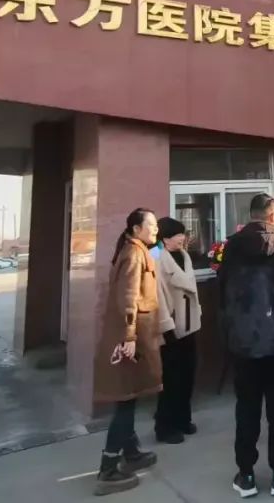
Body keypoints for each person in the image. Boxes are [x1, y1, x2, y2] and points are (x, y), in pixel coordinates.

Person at [220, 193, 274, 498]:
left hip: (243, 343)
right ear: (272, 215)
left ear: (252, 215)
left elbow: (222, 294)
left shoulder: (232, 247)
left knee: (246, 409)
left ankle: (246, 475)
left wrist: (229, 335)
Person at [92, 208, 163, 496]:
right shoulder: (134, 254)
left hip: (135, 338)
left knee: (130, 396)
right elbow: (128, 298)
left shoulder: (136, 250)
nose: (155, 229)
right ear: (136, 229)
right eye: (151, 225)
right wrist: (129, 336)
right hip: (130, 341)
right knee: (125, 401)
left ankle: (131, 453)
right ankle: (108, 468)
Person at [154, 217, 202, 444]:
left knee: (187, 374)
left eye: (183, 234)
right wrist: (166, 325)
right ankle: (164, 426)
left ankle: (183, 418)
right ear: (165, 238)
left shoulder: (184, 255)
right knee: (171, 378)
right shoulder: (156, 257)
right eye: (177, 235)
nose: (182, 238)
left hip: (189, 322)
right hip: (170, 326)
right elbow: (157, 295)